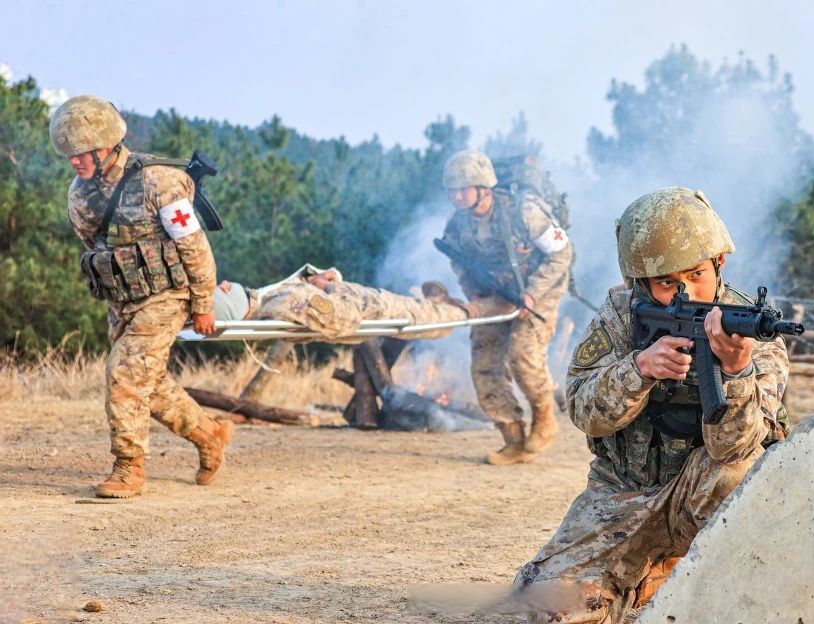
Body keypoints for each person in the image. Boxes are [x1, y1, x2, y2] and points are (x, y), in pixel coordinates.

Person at [514, 187, 790, 622]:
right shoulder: (621, 318)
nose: (688, 292)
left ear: (720, 262)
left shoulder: (754, 336)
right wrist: (639, 369)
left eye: (697, 273)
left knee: (741, 474)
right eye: (667, 283)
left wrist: (736, 371)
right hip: (619, 492)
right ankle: (647, 575)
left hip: (697, 496)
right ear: (640, 283)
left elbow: (733, 452)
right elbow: (584, 411)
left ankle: (704, 581)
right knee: (543, 605)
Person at [49, 95, 233, 498]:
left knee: (126, 375)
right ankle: (209, 436)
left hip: (169, 295)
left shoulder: (159, 182)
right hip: (124, 300)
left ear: (107, 146)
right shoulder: (79, 194)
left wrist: (202, 304)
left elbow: (194, 246)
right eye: (69, 155)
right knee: (149, 382)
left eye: (81, 154)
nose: (74, 162)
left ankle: (129, 467)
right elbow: (97, 250)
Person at [440, 150, 572, 465]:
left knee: (523, 354)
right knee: (484, 365)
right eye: (452, 190)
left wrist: (533, 294)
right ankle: (513, 438)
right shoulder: (457, 226)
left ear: (484, 187)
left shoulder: (522, 212)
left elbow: (561, 254)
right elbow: (459, 264)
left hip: (540, 291)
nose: (457, 196)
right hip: (494, 295)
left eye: (464, 188)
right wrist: (474, 296)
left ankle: (544, 418)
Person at [210, 268, 508, 341]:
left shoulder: (269, 299)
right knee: (441, 318)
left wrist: (327, 280)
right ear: (230, 307)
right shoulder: (291, 303)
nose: (223, 283)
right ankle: (482, 307)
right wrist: (330, 286)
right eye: (220, 291)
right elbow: (346, 318)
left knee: (426, 307)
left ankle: (435, 301)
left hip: (371, 300)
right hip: (380, 309)